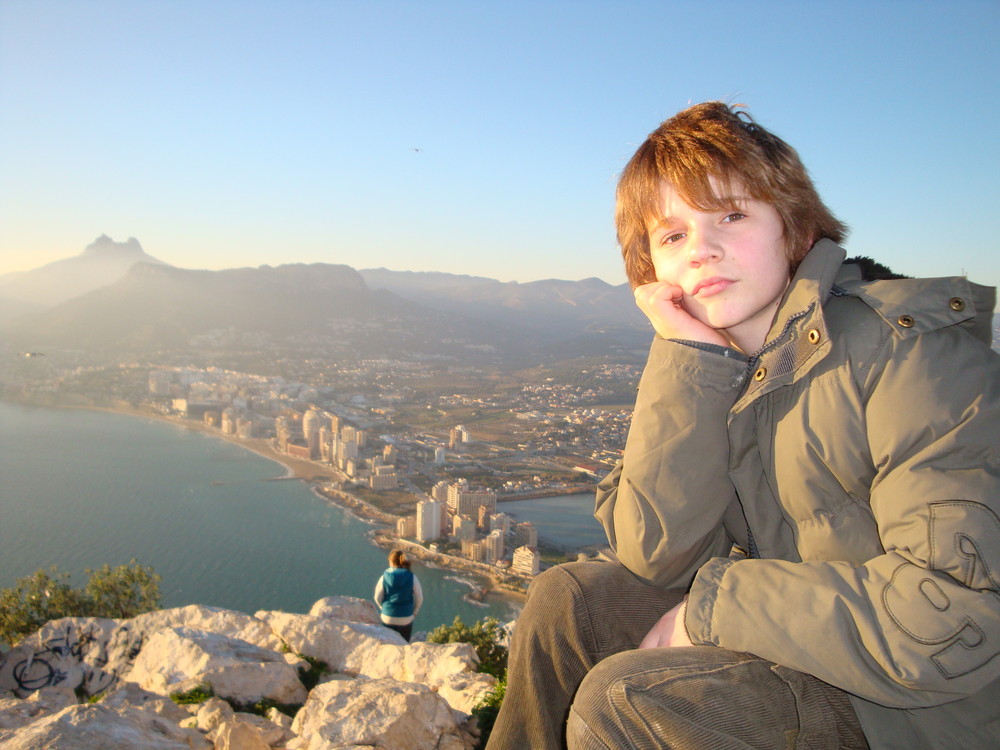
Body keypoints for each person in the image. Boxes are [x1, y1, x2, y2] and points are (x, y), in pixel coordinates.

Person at [487, 102, 1000, 749]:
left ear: (793, 226)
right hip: (804, 650)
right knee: (570, 602)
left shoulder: (912, 356)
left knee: (628, 703)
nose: (703, 248)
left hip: (912, 715)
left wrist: (715, 609)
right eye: (672, 236)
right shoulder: (723, 368)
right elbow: (657, 554)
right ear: (650, 269)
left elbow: (952, 615)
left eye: (731, 215)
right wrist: (691, 359)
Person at [374, 549, 423, 642]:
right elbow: (420, 598)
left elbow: (377, 597)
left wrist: (383, 608)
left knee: (389, 644)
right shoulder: (412, 577)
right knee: (404, 643)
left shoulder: (385, 576)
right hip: (406, 617)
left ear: (391, 562)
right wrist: (415, 612)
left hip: (387, 616)